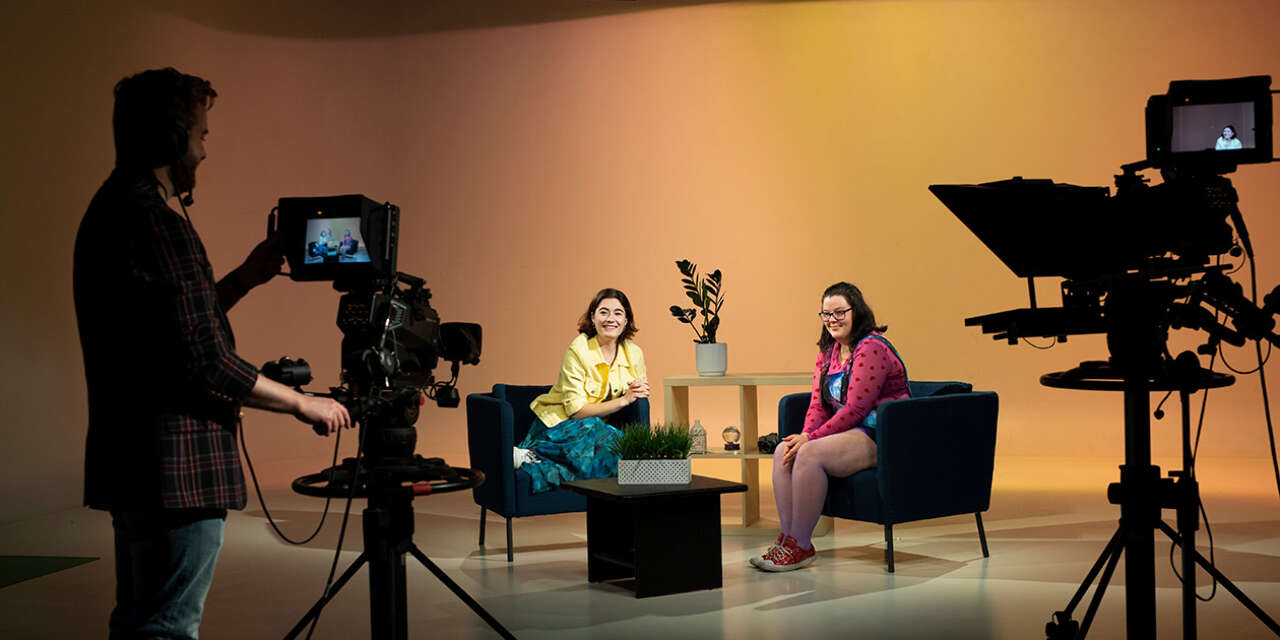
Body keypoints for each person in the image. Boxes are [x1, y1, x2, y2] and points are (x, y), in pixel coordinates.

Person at [73, 67, 351, 639]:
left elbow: (167, 332)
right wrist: (304, 405)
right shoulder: (156, 224)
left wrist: (244, 280)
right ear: (173, 140)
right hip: (174, 472)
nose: (203, 151)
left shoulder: (110, 211)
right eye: (200, 135)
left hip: (131, 461)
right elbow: (204, 360)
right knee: (167, 628)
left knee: (139, 619)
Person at [752, 282, 909, 572]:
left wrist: (811, 439)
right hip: (850, 432)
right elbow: (818, 404)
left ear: (856, 311)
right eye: (826, 314)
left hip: (883, 434)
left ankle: (800, 545)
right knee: (783, 451)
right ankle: (788, 542)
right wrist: (802, 436)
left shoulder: (871, 347)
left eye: (839, 312)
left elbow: (857, 409)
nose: (832, 320)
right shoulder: (829, 351)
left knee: (809, 454)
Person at [520, 288, 651, 492]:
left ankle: (532, 460)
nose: (610, 319)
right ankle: (533, 452)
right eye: (603, 312)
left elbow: (640, 392)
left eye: (618, 313)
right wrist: (624, 400)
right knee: (596, 431)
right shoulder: (578, 350)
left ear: (626, 320)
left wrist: (637, 393)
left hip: (596, 431)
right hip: (560, 427)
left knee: (616, 445)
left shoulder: (634, 353)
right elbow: (575, 412)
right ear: (593, 317)